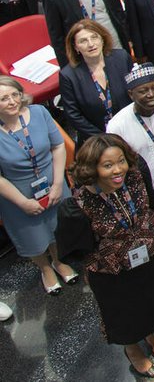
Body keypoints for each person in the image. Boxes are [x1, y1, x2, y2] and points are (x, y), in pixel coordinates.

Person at [69, 135, 154, 379]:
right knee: (123, 315)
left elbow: (149, 204)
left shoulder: (135, 175)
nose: (117, 170)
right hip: (112, 272)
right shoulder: (79, 203)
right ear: (92, 168)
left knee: (153, 300)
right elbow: (77, 249)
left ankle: (152, 335)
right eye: (107, 165)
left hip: (148, 253)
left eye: (121, 161)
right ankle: (132, 349)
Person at [0, 77, 76, 296]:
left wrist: (58, 183)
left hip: (52, 181)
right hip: (17, 193)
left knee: (56, 227)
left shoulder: (40, 113)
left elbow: (58, 145)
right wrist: (23, 202)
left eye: (15, 94)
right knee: (32, 237)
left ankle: (58, 261)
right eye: (4, 98)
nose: (13, 101)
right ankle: (45, 267)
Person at [59, 20, 134, 138]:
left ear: (102, 39)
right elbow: (74, 116)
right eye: (83, 41)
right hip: (97, 138)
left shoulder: (121, 58)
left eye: (94, 37)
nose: (91, 44)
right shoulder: (68, 75)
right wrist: (104, 137)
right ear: (76, 47)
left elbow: (135, 92)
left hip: (130, 128)